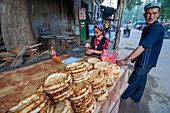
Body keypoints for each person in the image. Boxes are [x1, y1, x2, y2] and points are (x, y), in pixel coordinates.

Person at [117, 2, 164, 103]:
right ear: (144, 14)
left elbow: (143, 46)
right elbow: (142, 45)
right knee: (141, 78)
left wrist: (126, 60)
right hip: (142, 59)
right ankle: (136, 97)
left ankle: (121, 97)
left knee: (133, 80)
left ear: (159, 14)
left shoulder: (157, 27)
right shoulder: (147, 27)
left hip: (146, 62)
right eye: (149, 13)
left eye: (154, 13)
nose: (151, 16)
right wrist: (135, 58)